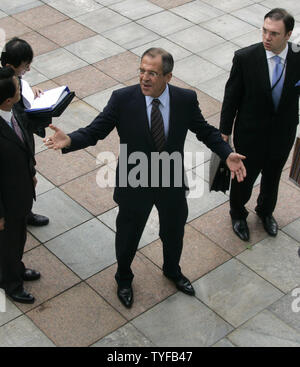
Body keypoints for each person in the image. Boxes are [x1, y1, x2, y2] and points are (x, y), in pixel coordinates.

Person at [44, 48, 246, 308]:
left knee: (173, 233)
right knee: (128, 235)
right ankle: (124, 278)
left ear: (168, 77)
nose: (145, 78)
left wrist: (226, 153)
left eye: (152, 73)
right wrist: (70, 139)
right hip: (134, 182)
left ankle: (172, 271)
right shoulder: (122, 99)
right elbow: (96, 130)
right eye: (141, 71)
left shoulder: (185, 99)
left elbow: (205, 131)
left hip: (170, 181)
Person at [220, 8, 300, 241]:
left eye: (274, 33)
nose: (267, 37)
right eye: (265, 30)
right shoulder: (245, 58)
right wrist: (224, 132)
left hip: (282, 133)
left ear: (288, 35)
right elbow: (231, 97)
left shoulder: (298, 58)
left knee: (273, 176)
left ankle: (265, 212)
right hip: (250, 134)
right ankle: (237, 213)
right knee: (243, 178)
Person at [0, 67, 41, 304]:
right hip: (7, 202)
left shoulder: (13, 110)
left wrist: (30, 173)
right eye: (18, 87)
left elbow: (24, 143)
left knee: (18, 239)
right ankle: (12, 284)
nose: (22, 88)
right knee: (9, 242)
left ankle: (15, 268)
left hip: (21, 190)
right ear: (7, 99)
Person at [1, 38, 49, 227]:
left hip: (23, 142)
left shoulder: (16, 80)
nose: (27, 71)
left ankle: (25, 211)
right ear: (9, 65)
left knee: (26, 176)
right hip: (10, 143)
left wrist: (30, 90)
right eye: (24, 67)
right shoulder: (4, 88)